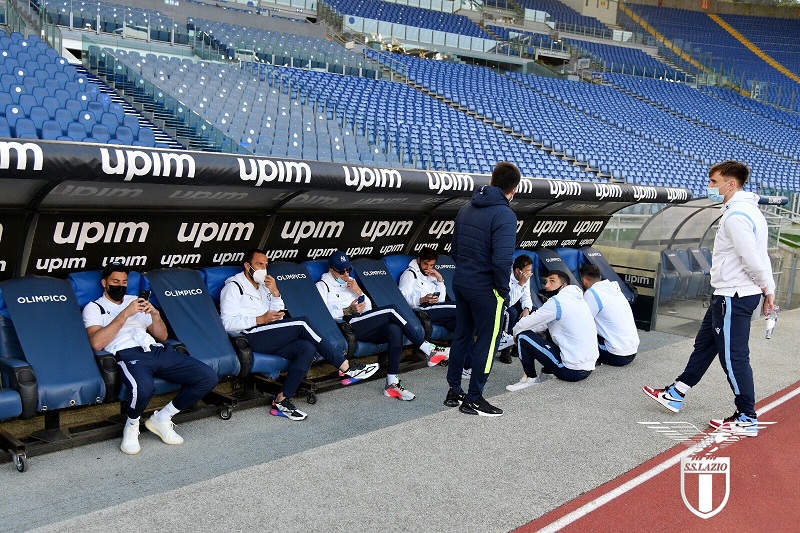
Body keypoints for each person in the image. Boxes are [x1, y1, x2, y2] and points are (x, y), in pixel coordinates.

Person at [643, 161, 776, 437]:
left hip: (734, 296)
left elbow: (752, 259)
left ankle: (746, 416)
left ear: (731, 184)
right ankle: (677, 392)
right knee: (705, 345)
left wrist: (768, 289)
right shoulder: (750, 211)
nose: (710, 187)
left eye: (714, 182)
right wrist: (768, 288)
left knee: (733, 357)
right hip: (727, 294)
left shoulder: (736, 216)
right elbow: (761, 255)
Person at [220, 249, 379, 421]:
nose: (264, 268)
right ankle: (345, 367)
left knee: (306, 347)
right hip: (251, 336)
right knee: (302, 323)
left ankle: (282, 399)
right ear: (247, 265)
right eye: (259, 264)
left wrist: (275, 294)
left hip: (270, 333)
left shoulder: (264, 285)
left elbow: (277, 311)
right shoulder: (233, 287)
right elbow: (226, 323)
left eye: (266, 265)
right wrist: (259, 319)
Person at [82, 262, 218, 455]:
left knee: (207, 376)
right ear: (104, 283)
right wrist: (125, 314)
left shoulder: (135, 301)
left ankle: (162, 418)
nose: (120, 286)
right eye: (115, 281)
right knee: (144, 388)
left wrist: (155, 314)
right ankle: (131, 426)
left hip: (155, 349)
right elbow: (97, 343)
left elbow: (162, 336)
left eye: (123, 282)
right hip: (128, 352)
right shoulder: (94, 307)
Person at [444, 161, 521, 417]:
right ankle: (474, 399)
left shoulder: (467, 207)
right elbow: (501, 261)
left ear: (491, 181)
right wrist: (502, 289)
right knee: (488, 343)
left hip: (462, 282)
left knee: (462, 336)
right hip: (486, 288)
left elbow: (454, 249)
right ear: (514, 189)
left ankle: (454, 390)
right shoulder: (505, 215)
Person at [317, 250, 447, 401]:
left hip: (364, 321)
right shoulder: (322, 286)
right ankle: (427, 348)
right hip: (348, 325)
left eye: (348, 269)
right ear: (331, 270)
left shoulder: (351, 282)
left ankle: (392, 383)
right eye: (341, 271)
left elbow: (368, 308)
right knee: (391, 310)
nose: (346, 274)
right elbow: (323, 315)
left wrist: (358, 292)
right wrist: (347, 310)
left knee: (395, 329)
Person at [507, 270, 597, 391]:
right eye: (546, 282)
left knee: (522, 336)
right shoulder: (578, 300)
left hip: (571, 371)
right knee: (546, 331)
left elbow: (525, 324)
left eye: (552, 281)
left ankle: (530, 379)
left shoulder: (557, 302)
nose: (546, 286)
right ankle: (547, 374)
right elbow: (543, 324)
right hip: (588, 367)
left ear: (564, 285)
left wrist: (514, 334)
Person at [580, 264, 639, 366]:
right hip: (632, 351)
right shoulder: (615, 290)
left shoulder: (592, 293)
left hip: (616, 355)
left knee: (576, 333)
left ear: (584, 280)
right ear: (600, 277)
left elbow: (582, 321)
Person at [398, 247, 456, 334]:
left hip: (436, 309)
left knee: (465, 324)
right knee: (462, 307)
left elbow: (441, 300)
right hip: (423, 311)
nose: (428, 268)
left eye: (431, 265)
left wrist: (440, 280)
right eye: (425, 264)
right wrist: (422, 299)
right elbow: (402, 298)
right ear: (418, 260)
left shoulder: (432, 275)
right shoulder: (409, 274)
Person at [497, 254, 537, 364]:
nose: (529, 273)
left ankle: (518, 346)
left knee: (534, 310)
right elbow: (508, 302)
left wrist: (527, 309)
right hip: (504, 305)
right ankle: (505, 349)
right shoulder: (506, 276)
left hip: (516, 300)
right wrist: (521, 284)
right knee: (512, 313)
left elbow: (526, 296)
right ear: (518, 271)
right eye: (527, 271)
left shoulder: (525, 277)